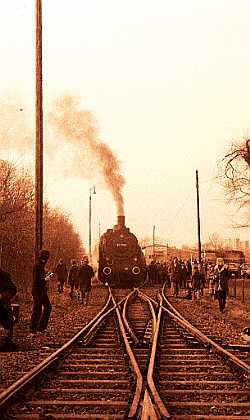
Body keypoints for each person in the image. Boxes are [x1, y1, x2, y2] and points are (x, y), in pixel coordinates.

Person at [30, 249, 52, 334]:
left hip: (42, 291)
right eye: (46, 259)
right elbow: (36, 280)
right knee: (37, 309)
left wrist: (46, 275)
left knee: (47, 307)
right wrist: (45, 279)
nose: (46, 261)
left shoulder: (41, 265)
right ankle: (33, 329)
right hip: (37, 291)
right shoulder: (37, 265)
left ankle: (40, 328)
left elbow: (39, 277)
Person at [0, 268, 17, 345]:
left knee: (7, 317)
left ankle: (6, 340)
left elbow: (13, 289)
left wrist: (2, 295)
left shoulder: (4, 275)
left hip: (3, 305)